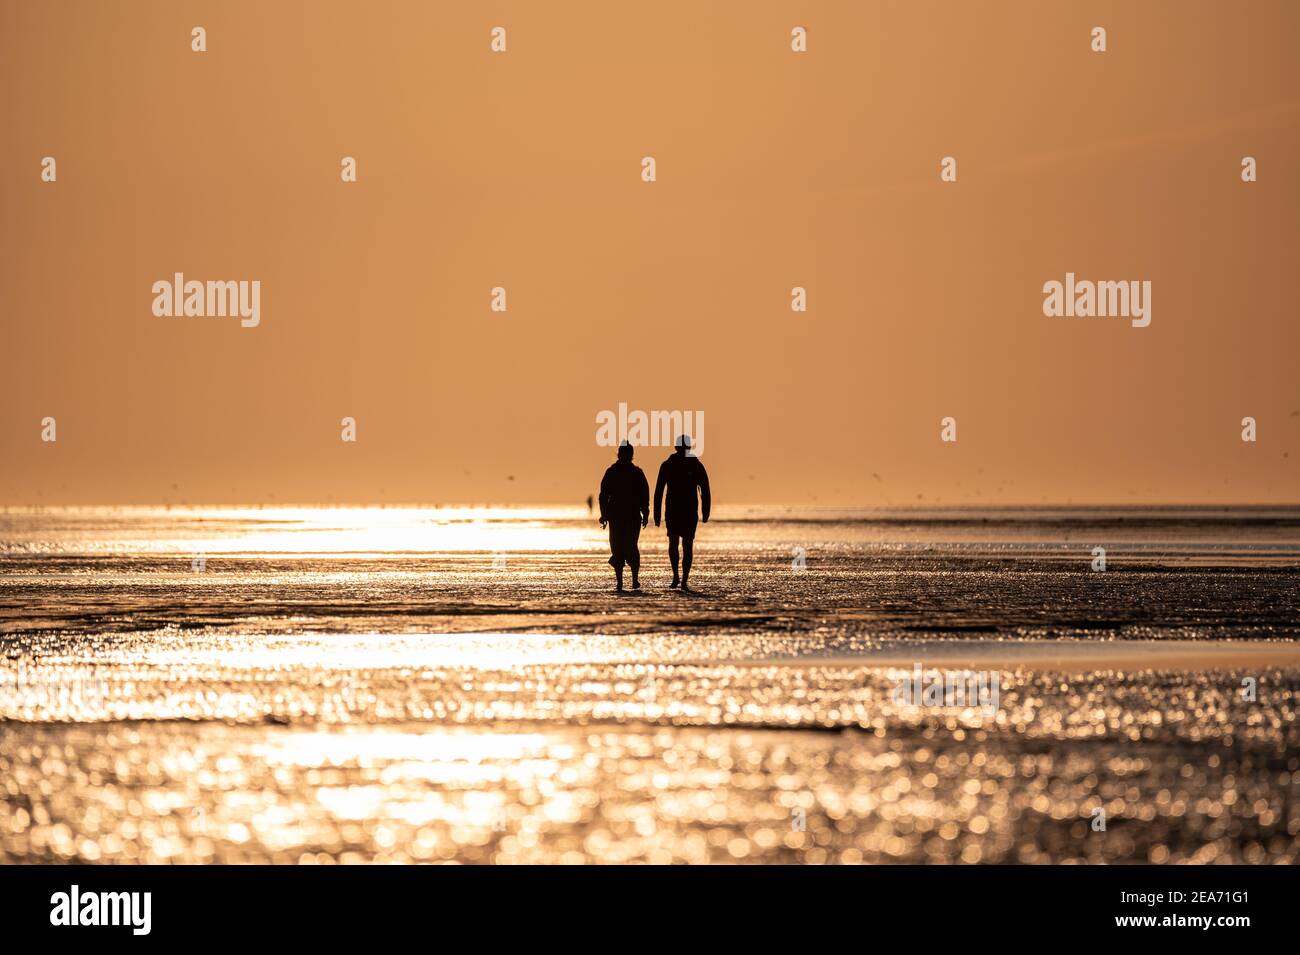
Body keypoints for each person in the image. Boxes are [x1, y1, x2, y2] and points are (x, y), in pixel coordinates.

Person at [653, 434, 710, 591]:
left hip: (688, 511)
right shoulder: (668, 465)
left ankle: (682, 578)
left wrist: (706, 511)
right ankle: (678, 577)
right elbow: (659, 490)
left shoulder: (695, 465)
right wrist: (656, 515)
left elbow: (705, 488)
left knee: (684, 545)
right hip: (674, 510)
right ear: (678, 448)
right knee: (677, 544)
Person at [598, 441, 649, 591]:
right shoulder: (618, 472)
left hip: (627, 516)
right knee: (621, 548)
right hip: (620, 516)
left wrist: (645, 512)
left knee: (625, 547)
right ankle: (623, 581)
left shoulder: (631, 472)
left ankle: (631, 580)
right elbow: (603, 495)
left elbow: (644, 496)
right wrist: (604, 514)